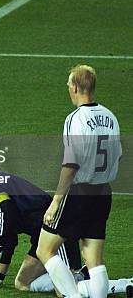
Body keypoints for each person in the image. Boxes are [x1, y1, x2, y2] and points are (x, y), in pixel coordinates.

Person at [0, 161, 132, 296]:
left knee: (67, 291)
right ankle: (82, 276)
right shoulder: (0, 182)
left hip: (56, 232)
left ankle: (123, 285)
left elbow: (6, 215)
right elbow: (9, 232)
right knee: (23, 283)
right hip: (42, 235)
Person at [37, 65, 122, 298]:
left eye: (68, 85)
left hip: (79, 193)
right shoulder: (110, 116)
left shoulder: (75, 119)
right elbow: (119, 154)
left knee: (45, 249)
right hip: (103, 193)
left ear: (74, 87)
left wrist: (56, 201)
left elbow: (71, 164)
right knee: (94, 259)